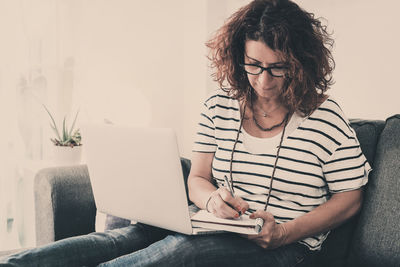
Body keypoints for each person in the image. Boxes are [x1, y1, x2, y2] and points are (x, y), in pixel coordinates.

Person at [1, 0, 370, 266]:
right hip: (214, 227)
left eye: (278, 68)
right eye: (254, 65)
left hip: (287, 249)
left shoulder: (324, 116)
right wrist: (211, 202)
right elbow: (198, 178)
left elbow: (350, 198)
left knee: (180, 254)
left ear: (300, 64)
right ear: (237, 57)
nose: (263, 79)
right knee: (120, 239)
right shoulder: (218, 107)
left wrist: (286, 233)